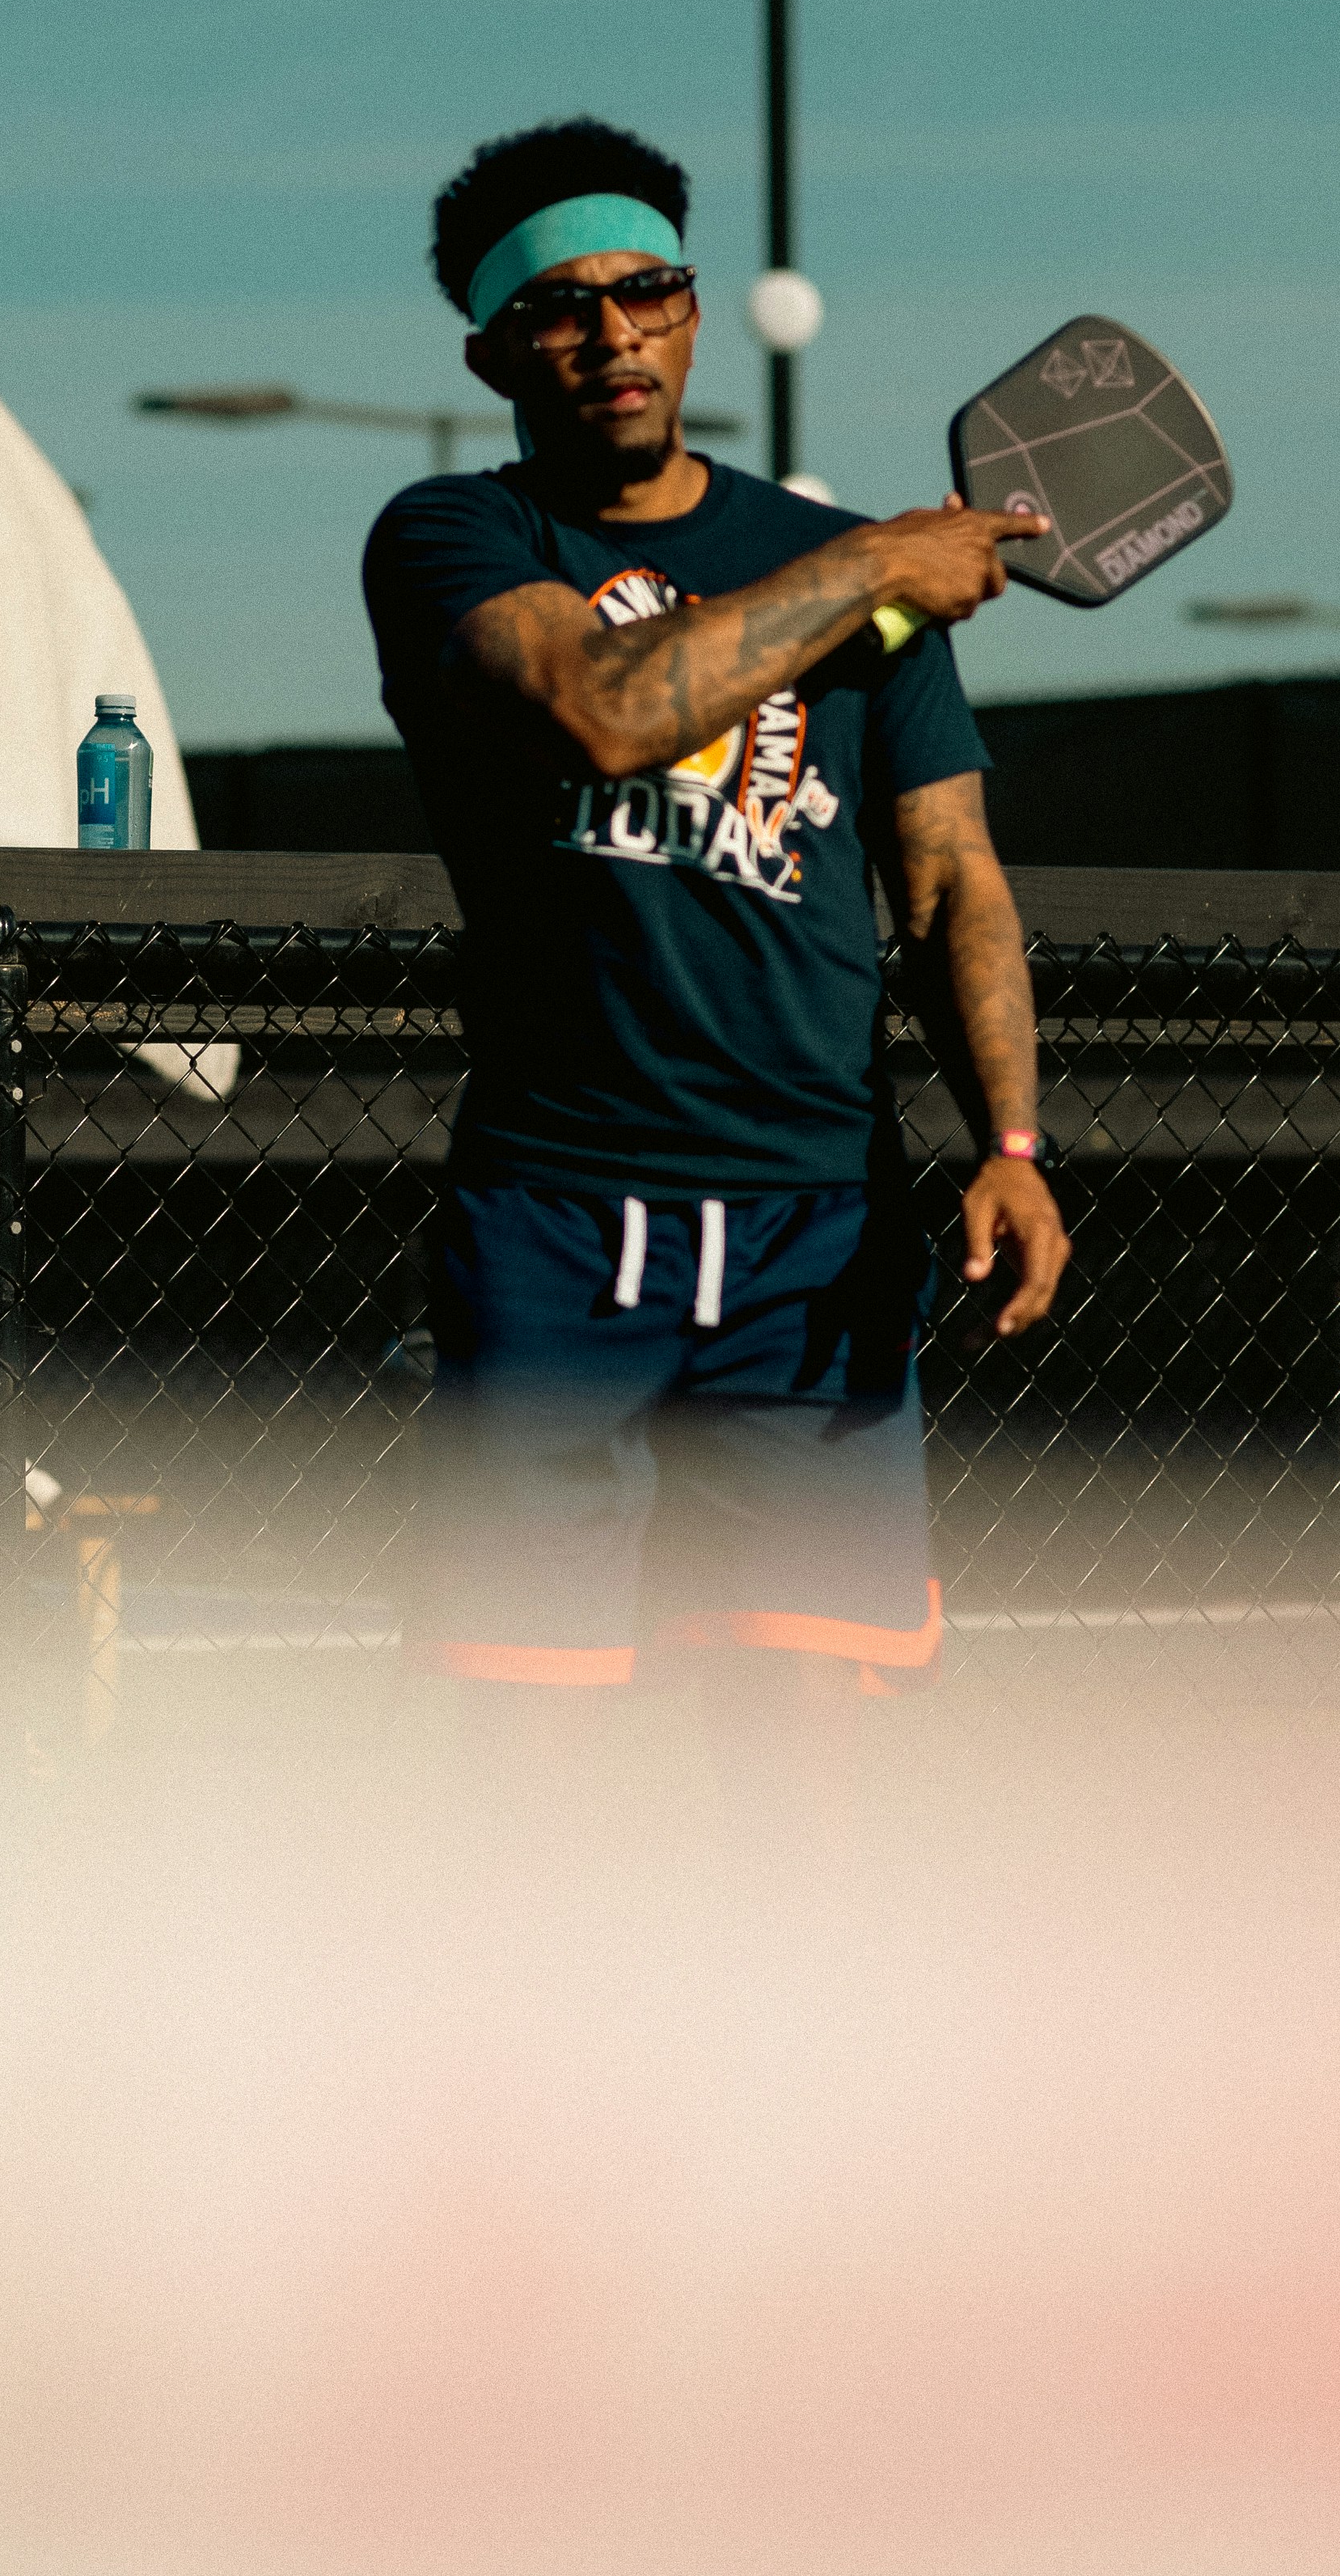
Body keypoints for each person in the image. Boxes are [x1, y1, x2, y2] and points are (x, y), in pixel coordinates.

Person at [359, 117, 1073, 1838]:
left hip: (815, 1223)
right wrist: (873, 563)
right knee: (527, 1762)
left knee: (800, 1758)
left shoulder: (849, 574)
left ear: (693, 313)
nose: (612, 332)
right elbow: (604, 705)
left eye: (649, 290)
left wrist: (1016, 1144)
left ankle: (781, 2073)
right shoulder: (453, 535)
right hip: (556, 1209)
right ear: (493, 348)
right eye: (562, 306)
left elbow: (950, 870)